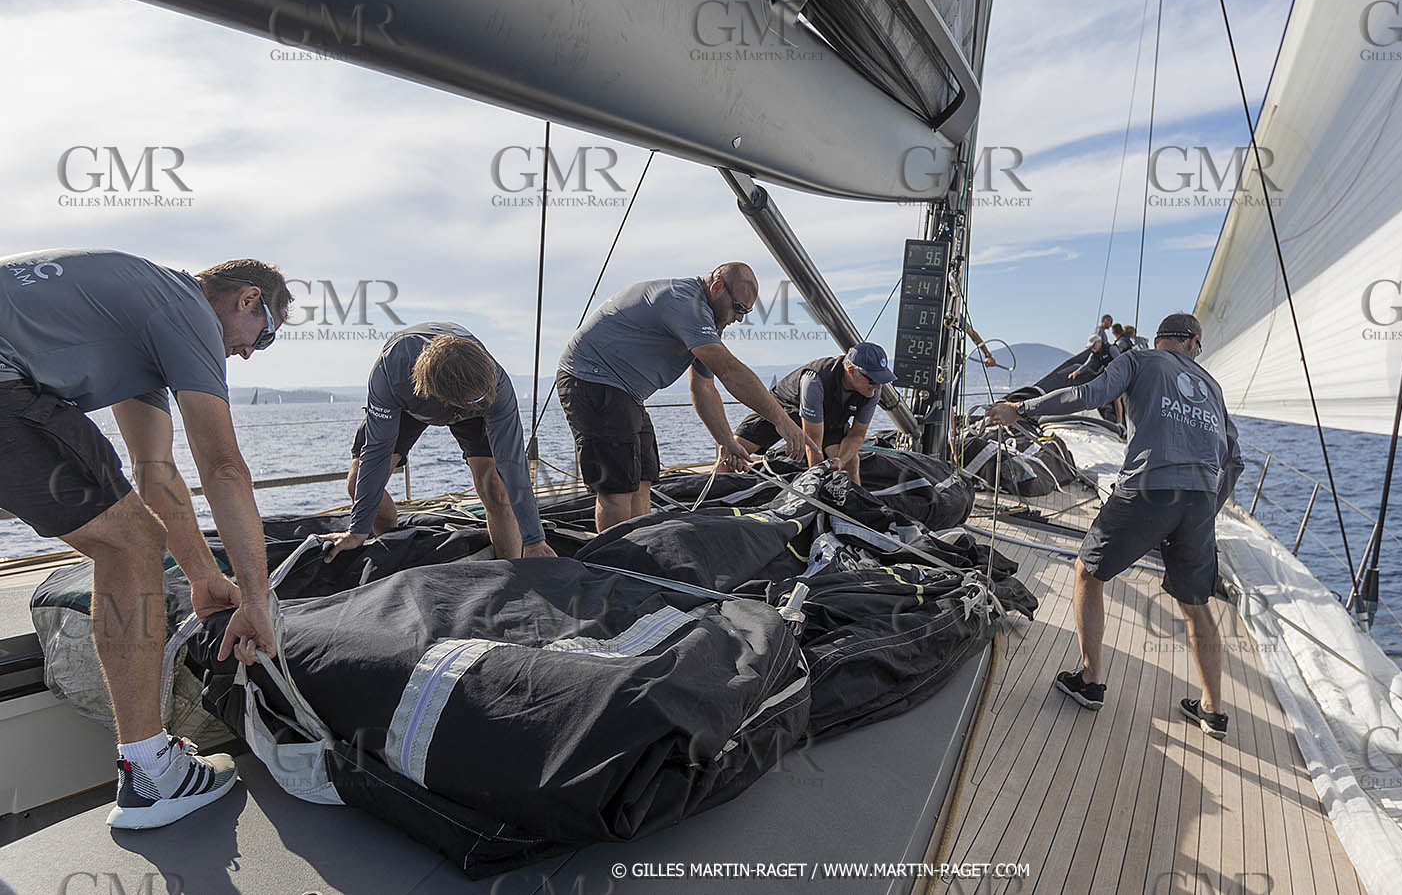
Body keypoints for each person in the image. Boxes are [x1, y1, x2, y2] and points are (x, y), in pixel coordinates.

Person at [0, 249, 286, 828]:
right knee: (131, 543)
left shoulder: (142, 320)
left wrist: (204, 576)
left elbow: (154, 469)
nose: (251, 352)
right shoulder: (186, 309)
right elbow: (222, 466)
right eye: (266, 334)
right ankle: (150, 773)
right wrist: (257, 599)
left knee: (132, 535)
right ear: (248, 299)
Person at [985, 313, 1243, 740]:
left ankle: (1090, 680)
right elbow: (1234, 459)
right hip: (1199, 499)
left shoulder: (1140, 360)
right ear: (1192, 342)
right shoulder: (1212, 387)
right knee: (1197, 604)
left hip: (1149, 488)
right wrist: (1207, 511)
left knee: (1088, 572)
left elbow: (1089, 393)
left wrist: (1021, 408)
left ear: (1159, 340)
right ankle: (1213, 711)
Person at [556, 263, 822, 531]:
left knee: (643, 479)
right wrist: (783, 422)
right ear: (717, 287)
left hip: (627, 394)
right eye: (738, 308)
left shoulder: (709, 320)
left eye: (746, 312)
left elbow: (703, 388)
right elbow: (729, 370)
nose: (740, 318)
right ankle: (613, 554)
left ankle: (636, 549)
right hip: (592, 380)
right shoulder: (684, 303)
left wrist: (727, 442)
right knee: (616, 489)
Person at [316, 323, 555, 563]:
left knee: (495, 486)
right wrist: (357, 530)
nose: (484, 401)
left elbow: (512, 462)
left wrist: (534, 539)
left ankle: (510, 568)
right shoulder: (389, 374)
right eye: (477, 400)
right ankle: (394, 548)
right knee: (358, 483)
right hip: (410, 401)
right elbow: (378, 450)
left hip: (476, 397)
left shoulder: (496, 385)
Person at [729, 343, 896, 483]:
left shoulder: (873, 390)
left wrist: (840, 461)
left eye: (881, 379)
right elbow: (813, 445)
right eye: (873, 380)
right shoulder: (815, 380)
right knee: (734, 451)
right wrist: (816, 485)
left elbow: (857, 435)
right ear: (851, 371)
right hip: (785, 408)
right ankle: (716, 488)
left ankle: (854, 503)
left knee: (851, 461)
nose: (878, 386)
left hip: (830, 417)